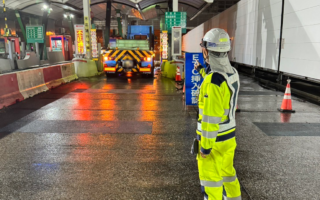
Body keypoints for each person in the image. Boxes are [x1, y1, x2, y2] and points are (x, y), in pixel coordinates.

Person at [195, 28, 241, 200]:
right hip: (229, 138)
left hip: (214, 142)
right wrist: (202, 70)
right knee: (228, 175)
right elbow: (216, 78)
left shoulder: (213, 82)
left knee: (211, 182)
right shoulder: (232, 73)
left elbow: (210, 119)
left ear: (206, 50)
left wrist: (205, 147)